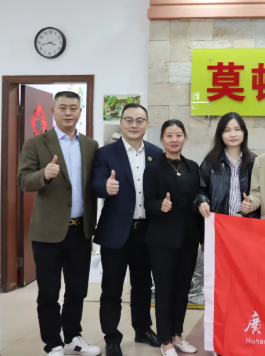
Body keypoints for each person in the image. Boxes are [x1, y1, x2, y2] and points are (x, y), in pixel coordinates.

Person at [17, 91, 101, 356]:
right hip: (48, 232)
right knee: (49, 291)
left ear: (80, 112)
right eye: (62, 107)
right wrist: (44, 174)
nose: (68, 112)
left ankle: (73, 336)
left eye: (73, 108)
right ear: (52, 111)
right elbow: (23, 180)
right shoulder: (36, 143)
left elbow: (93, 183)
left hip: (80, 230)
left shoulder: (90, 145)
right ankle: (52, 342)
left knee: (77, 290)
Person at [91, 104, 161, 356]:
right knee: (111, 288)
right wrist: (104, 188)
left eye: (139, 120)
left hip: (146, 232)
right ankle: (112, 337)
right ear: (121, 122)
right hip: (116, 232)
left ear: (147, 123)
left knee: (142, 285)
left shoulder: (156, 153)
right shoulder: (105, 153)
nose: (134, 125)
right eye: (129, 120)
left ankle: (142, 329)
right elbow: (95, 183)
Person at [144, 120, 203, 356]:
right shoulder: (153, 168)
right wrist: (160, 205)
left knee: (182, 290)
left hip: (188, 240)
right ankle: (165, 340)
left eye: (178, 135)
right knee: (164, 290)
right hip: (162, 240)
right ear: (162, 139)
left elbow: (198, 198)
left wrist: (201, 238)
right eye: (169, 135)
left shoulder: (193, 167)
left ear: (184, 137)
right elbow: (147, 203)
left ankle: (178, 335)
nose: (174, 139)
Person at [194, 112, 259, 219]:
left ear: (244, 132)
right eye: (227, 130)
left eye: (237, 129)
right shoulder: (210, 161)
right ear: (221, 134)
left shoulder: (254, 162)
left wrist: (243, 214)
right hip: (219, 222)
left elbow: (259, 195)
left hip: (246, 222)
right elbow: (201, 190)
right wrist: (202, 201)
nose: (233, 134)